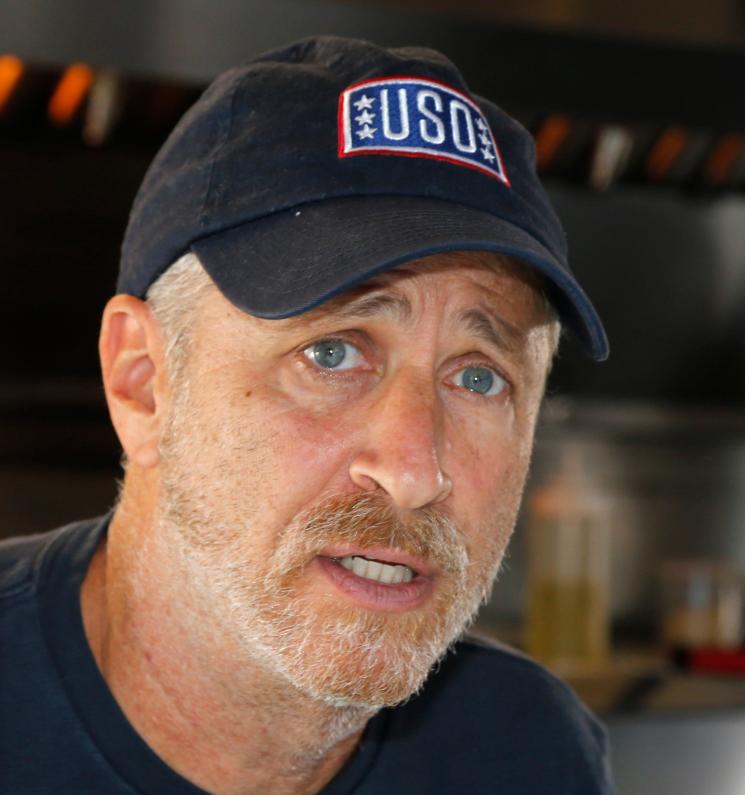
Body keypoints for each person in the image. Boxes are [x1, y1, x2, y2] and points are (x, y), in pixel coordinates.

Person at [0, 35, 613, 795]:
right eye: (332, 353)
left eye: (478, 377)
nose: (416, 469)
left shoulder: (527, 753)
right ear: (142, 381)